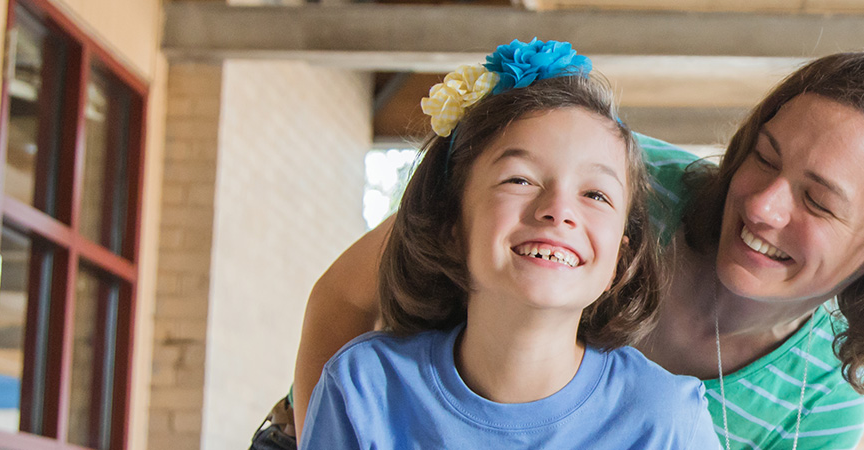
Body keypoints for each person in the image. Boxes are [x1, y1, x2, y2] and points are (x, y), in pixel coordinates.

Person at [293, 50, 864, 449]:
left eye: (818, 200)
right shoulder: (606, 184)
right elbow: (342, 299)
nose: (759, 202)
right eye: (762, 154)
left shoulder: (814, 406)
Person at [296, 39, 720, 449]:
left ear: (620, 260)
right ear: (451, 226)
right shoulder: (364, 386)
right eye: (520, 179)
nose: (558, 210)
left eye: (595, 195)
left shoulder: (668, 422)